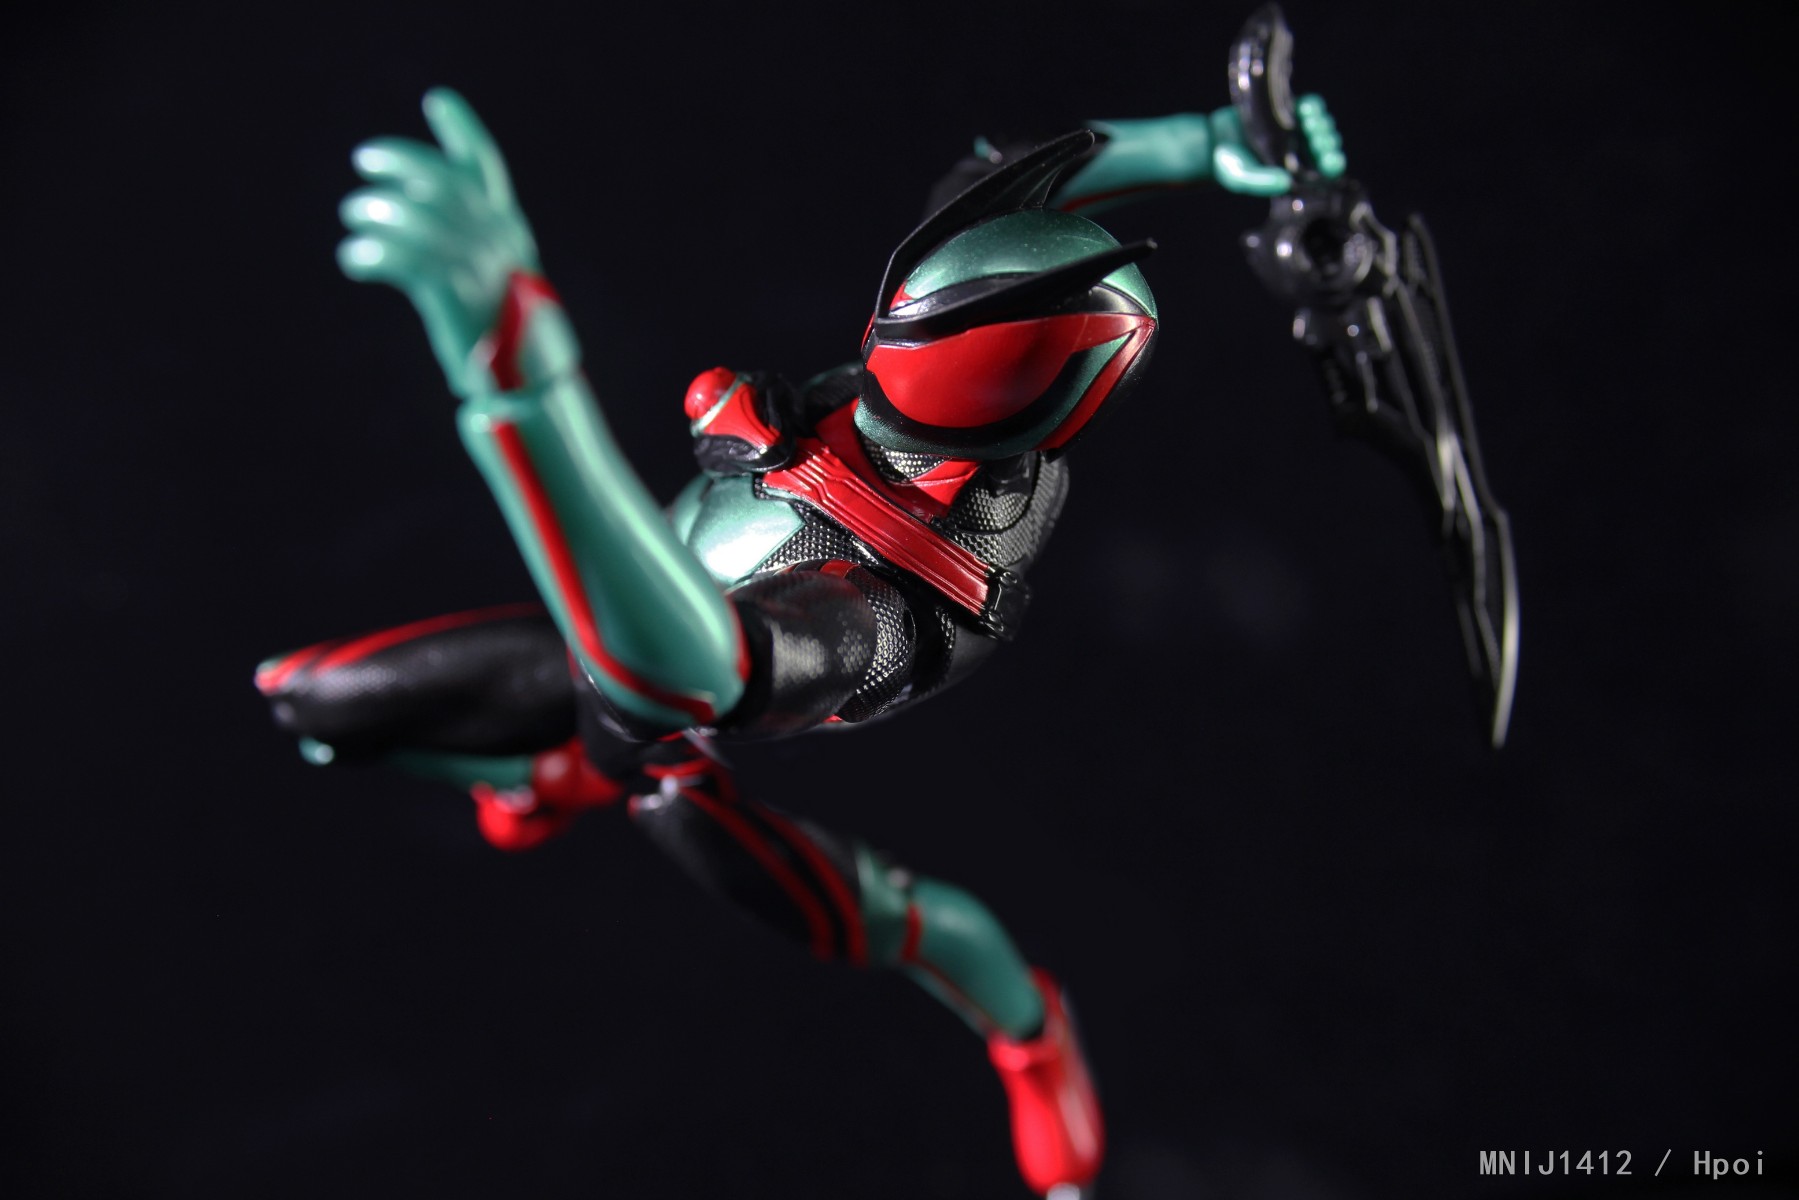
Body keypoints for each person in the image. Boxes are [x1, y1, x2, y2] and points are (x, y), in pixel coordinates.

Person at [256, 86, 1343, 1198]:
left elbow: (695, 674)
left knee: (906, 926)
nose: (888, 353)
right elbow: (1006, 173)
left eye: (940, 344)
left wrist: (525, 394)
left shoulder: (906, 599)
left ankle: (1031, 1032)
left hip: (686, 746)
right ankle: (545, 778)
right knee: (310, 705)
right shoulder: (910, 387)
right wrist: (1210, 142)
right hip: (602, 653)